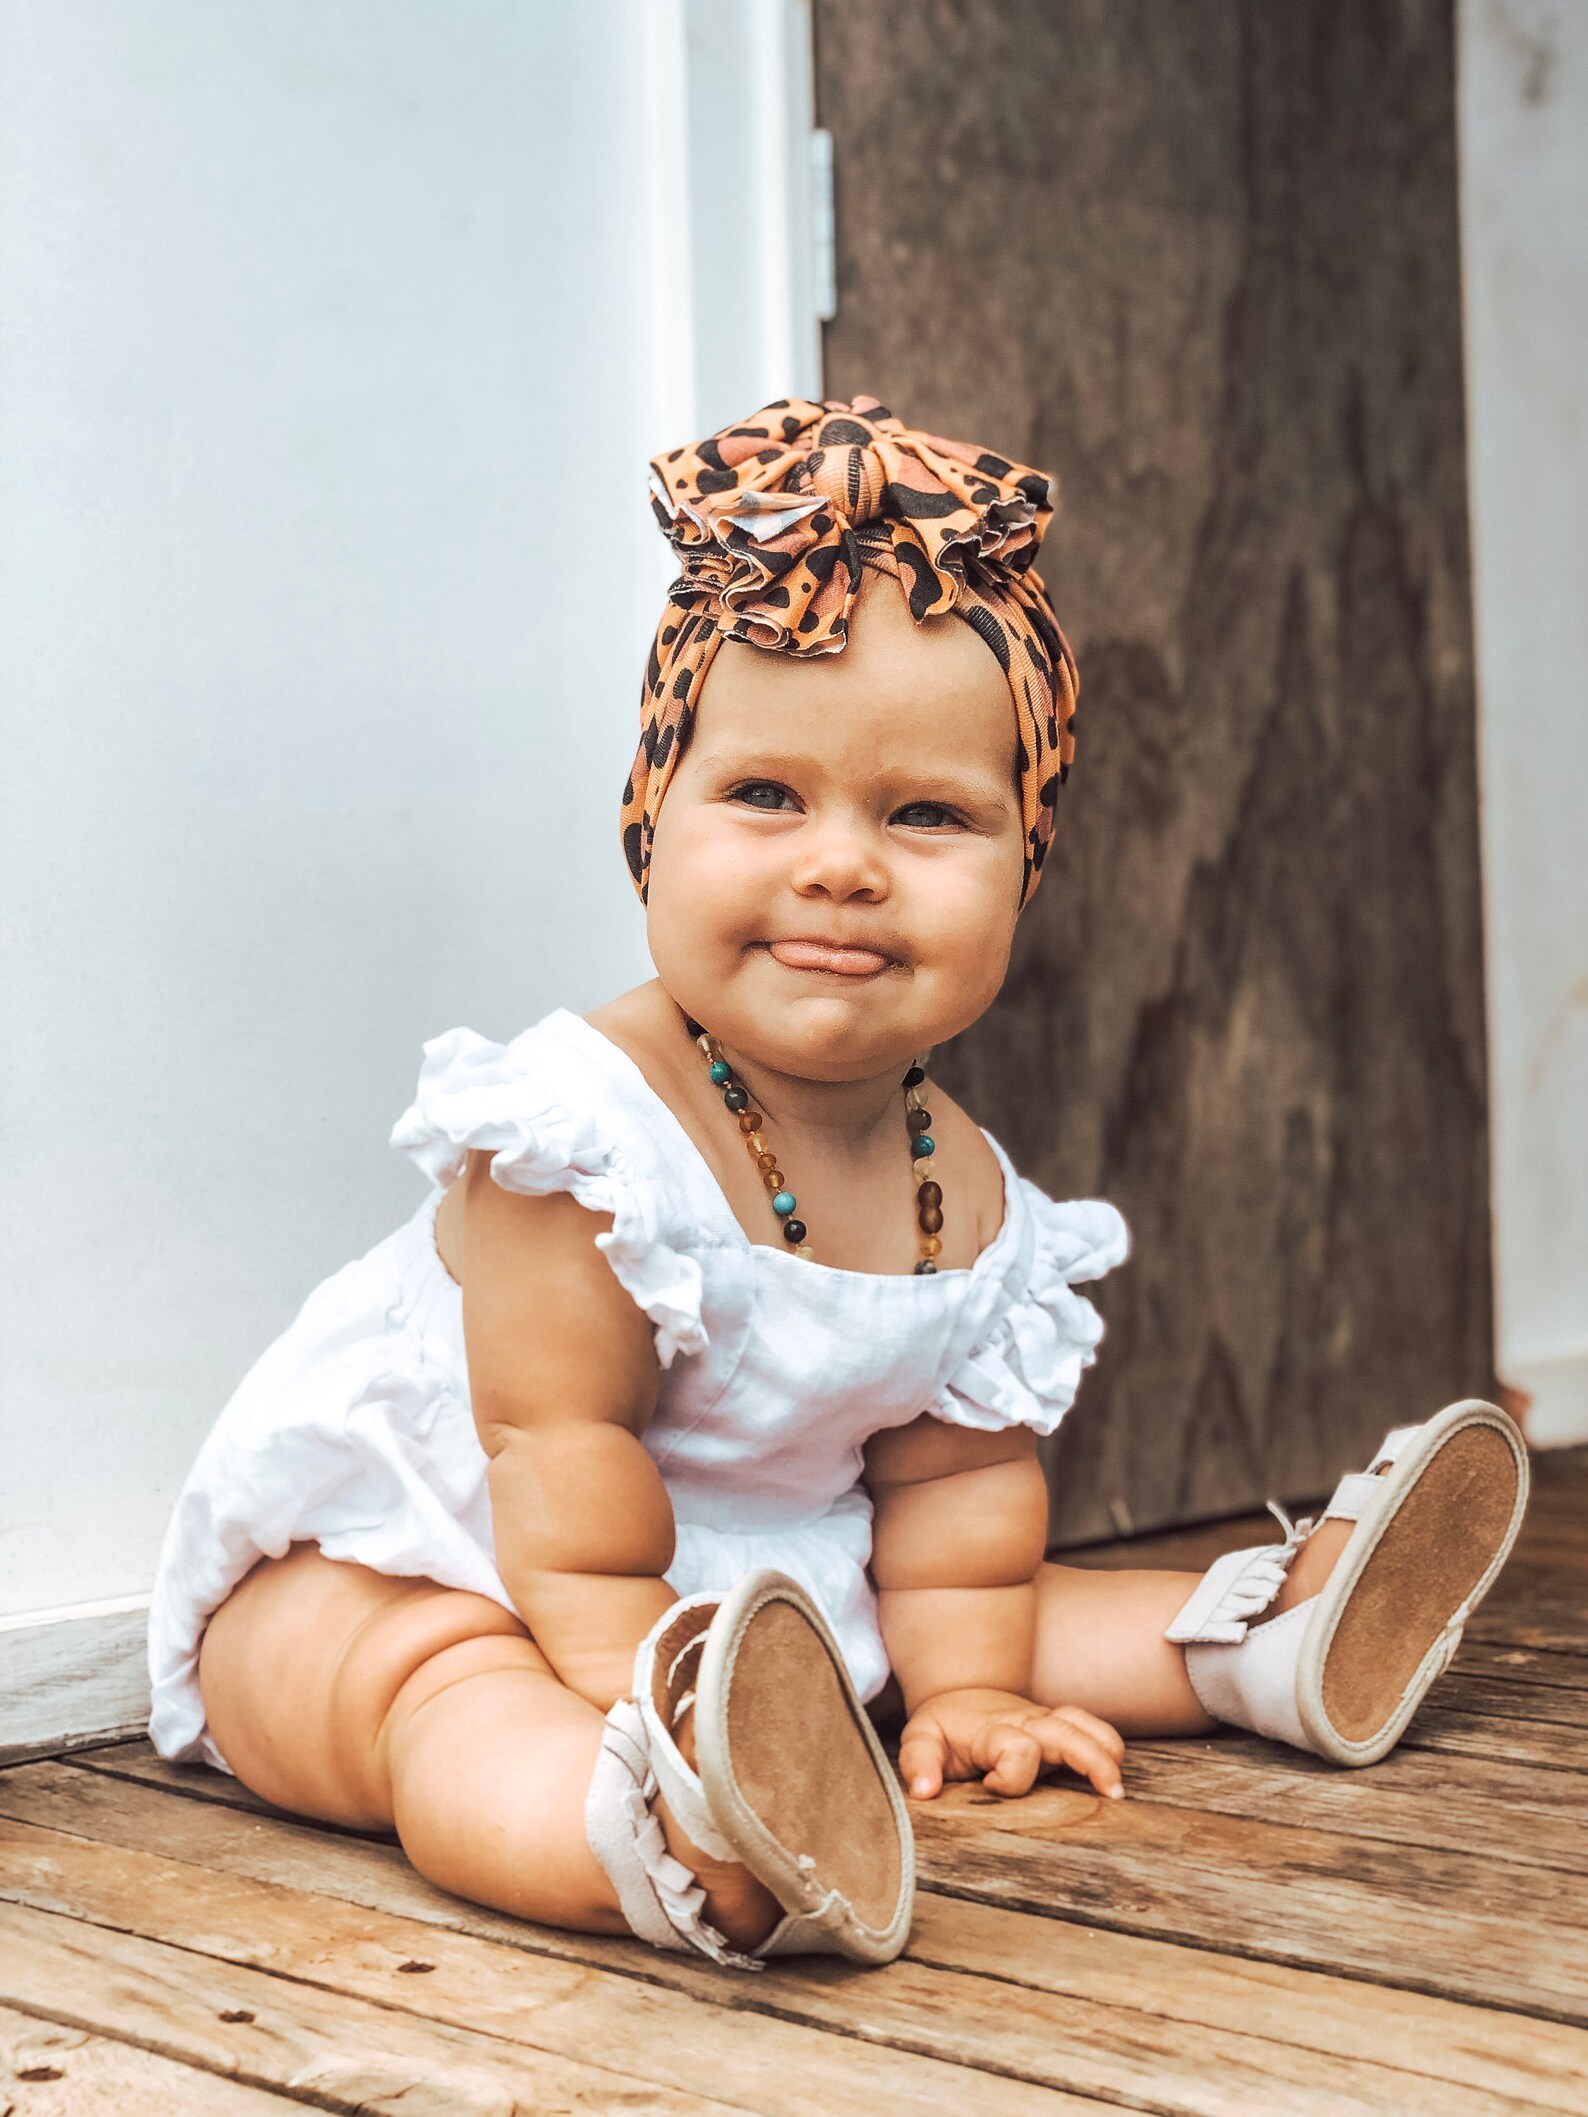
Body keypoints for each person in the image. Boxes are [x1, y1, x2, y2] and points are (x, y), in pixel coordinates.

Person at [147, 395, 1529, 1972]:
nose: (842, 863)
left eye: (927, 813)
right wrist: (653, 1689)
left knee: (996, 1597)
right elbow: (560, 1466)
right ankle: (663, 1835)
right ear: (649, 817)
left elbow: (949, 1498)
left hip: (764, 1595)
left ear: (1027, 863)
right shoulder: (584, 1139)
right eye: (765, 796)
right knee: (443, 1697)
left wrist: (962, 1695)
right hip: (441, 1571)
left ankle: (1267, 1632)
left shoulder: (970, 1194)